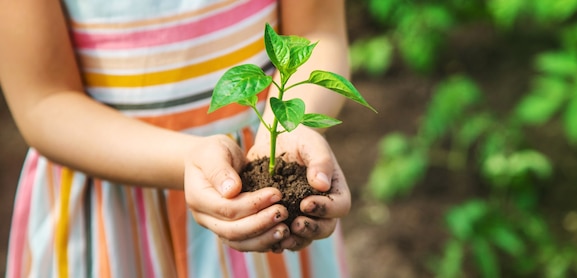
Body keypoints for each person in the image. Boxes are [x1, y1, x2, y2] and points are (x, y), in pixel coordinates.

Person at [0, 0, 353, 276]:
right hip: (111, 193)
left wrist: (293, 126)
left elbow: (318, 32)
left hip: (256, 180)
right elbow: (43, 100)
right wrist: (190, 159)